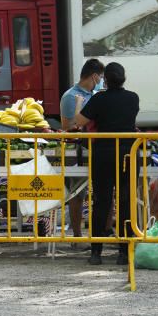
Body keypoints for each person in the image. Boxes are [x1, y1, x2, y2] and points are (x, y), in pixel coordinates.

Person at [74, 62, 139, 266]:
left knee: (101, 202)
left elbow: (79, 121)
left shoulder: (98, 98)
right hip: (128, 154)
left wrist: (78, 104)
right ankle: (123, 252)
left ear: (106, 80)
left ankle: (96, 252)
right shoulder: (133, 98)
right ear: (123, 78)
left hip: (103, 155)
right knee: (126, 202)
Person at [59, 58, 104, 241]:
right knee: (77, 193)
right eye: (100, 77)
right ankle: (77, 235)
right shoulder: (71, 96)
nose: (101, 80)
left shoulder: (96, 94)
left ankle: (103, 234)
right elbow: (68, 125)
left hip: (96, 147)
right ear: (94, 76)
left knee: (102, 193)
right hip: (76, 150)